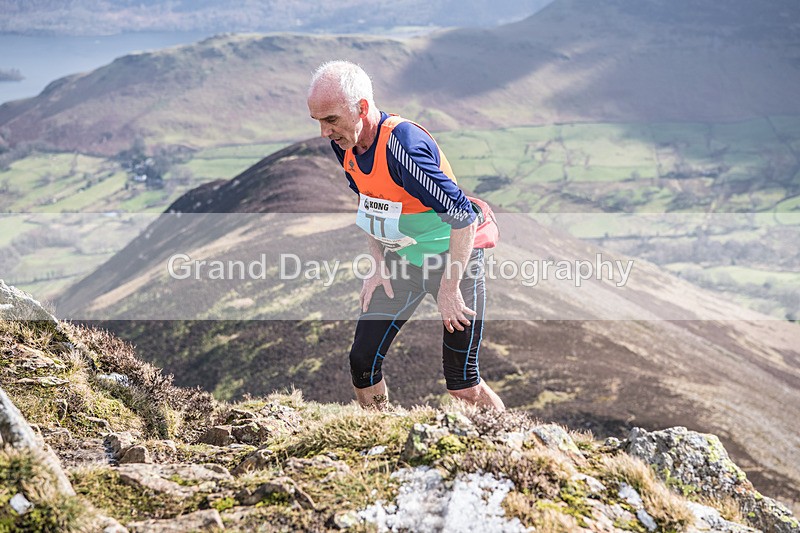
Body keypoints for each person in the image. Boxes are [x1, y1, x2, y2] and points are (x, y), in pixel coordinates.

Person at [307, 60, 504, 411]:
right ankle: (377, 440)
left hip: (453, 263)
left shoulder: (403, 149)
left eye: (331, 120)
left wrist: (448, 289)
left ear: (362, 108)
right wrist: (379, 263)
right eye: (318, 121)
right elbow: (370, 203)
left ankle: (511, 443)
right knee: (362, 363)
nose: (324, 132)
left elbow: (464, 218)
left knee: (463, 386)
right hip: (404, 260)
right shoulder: (345, 144)